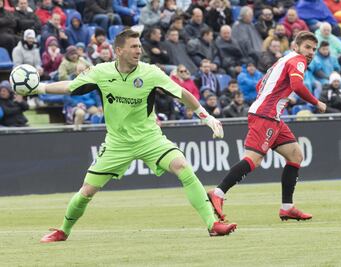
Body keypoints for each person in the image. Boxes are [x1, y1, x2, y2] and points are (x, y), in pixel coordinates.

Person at [15, 29, 237, 242]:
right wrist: (40, 88)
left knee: (182, 165)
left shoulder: (150, 73)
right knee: (86, 191)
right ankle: (63, 230)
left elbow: (182, 94)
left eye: (139, 46)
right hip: (117, 143)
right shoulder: (102, 72)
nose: (138, 50)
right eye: (133, 46)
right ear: (119, 50)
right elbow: (71, 87)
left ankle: (212, 225)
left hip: (150, 138)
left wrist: (206, 117)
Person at [207, 31, 327, 222]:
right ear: (295, 47)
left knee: (295, 155)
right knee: (253, 160)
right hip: (266, 116)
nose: (311, 52)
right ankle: (218, 193)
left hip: (271, 116)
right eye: (307, 47)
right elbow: (296, 85)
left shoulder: (282, 61)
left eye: (314, 49)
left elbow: (260, 86)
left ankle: (287, 207)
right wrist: (316, 102)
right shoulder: (297, 60)